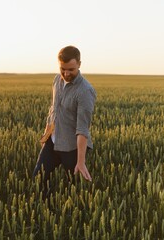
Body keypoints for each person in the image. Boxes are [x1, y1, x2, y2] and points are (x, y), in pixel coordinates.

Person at [33, 45, 96, 198]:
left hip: (72, 147)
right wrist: (46, 134)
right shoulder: (57, 80)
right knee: (38, 179)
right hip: (53, 141)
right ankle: (44, 210)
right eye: (63, 69)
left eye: (71, 70)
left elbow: (82, 129)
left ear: (79, 65)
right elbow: (53, 109)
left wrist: (80, 162)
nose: (66, 74)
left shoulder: (85, 91)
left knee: (75, 189)